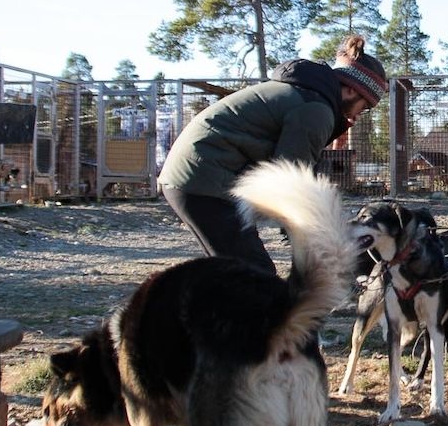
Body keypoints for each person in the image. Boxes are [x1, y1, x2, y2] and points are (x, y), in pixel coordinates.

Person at [157, 34, 388, 274]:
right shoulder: (316, 110)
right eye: (367, 106)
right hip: (203, 179)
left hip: (202, 175)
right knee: (254, 274)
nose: (362, 114)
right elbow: (289, 181)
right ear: (351, 90)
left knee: (237, 272)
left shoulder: (306, 94)